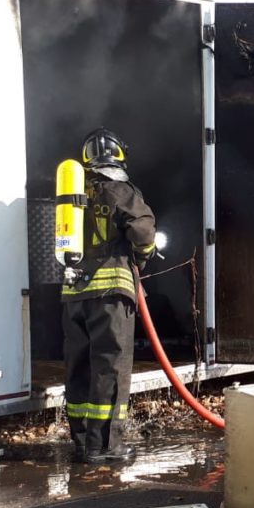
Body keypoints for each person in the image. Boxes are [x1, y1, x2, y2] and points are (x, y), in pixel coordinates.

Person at [61, 129, 157, 464]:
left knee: (80, 366)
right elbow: (143, 232)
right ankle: (106, 448)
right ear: (118, 155)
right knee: (110, 367)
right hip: (110, 294)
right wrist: (143, 256)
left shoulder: (74, 195)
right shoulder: (120, 190)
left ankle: (82, 441)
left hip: (74, 294)